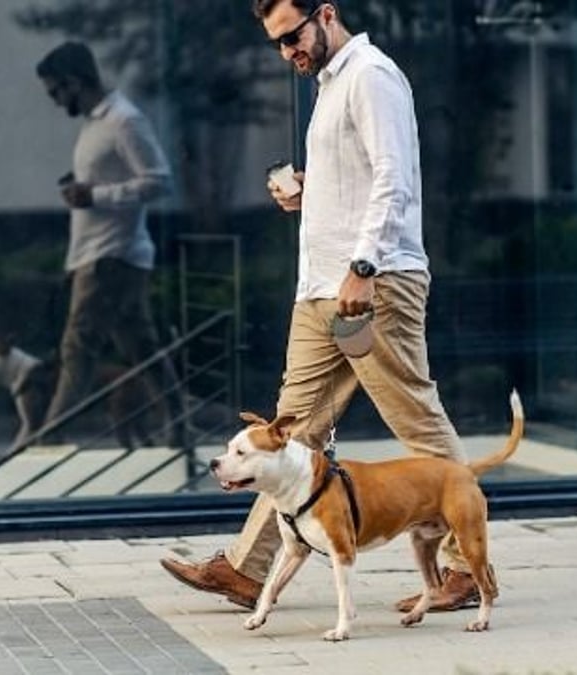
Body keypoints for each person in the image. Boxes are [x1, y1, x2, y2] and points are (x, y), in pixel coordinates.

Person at [160, 0, 490, 614]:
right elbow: (360, 179)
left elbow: (395, 178)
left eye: (293, 36)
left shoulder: (371, 75)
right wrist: (311, 193)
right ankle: (246, 570)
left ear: (326, 13)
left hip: (375, 283)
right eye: (278, 44)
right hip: (318, 288)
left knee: (416, 418)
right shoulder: (330, 85)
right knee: (289, 428)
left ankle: (464, 568)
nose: (289, 52)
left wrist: (364, 266)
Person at [35, 42, 183, 446]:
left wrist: (97, 196)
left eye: (55, 92)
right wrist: (86, 191)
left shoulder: (124, 121)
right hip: (100, 253)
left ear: (74, 81)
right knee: (142, 346)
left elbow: (160, 181)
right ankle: (179, 426)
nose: (54, 101)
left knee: (77, 346)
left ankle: (48, 438)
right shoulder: (96, 124)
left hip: (111, 255)